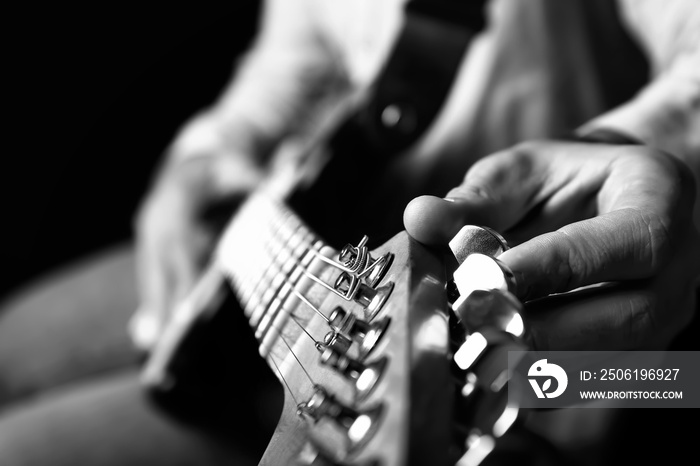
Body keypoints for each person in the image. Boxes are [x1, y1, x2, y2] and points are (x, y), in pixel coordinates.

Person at [1, 0, 698, 465]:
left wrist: (637, 145)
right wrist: (198, 163)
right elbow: (283, 67)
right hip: (291, 252)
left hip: (534, 361)